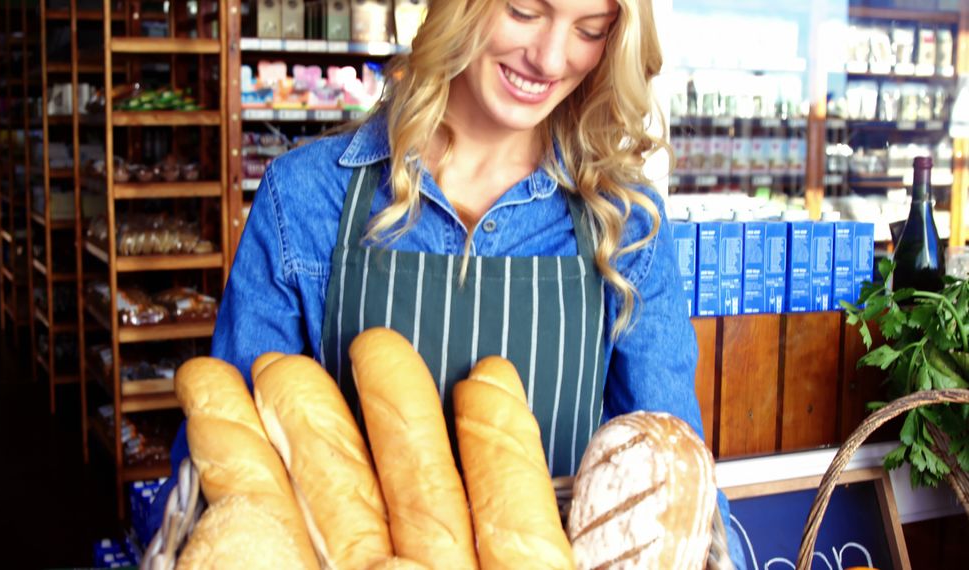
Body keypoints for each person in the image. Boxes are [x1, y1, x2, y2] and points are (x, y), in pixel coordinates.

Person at [152, 0, 745, 565]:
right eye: (524, 12)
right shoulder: (306, 198)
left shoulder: (626, 224)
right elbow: (225, 481)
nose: (550, 57)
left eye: (589, 30)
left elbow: (679, 483)